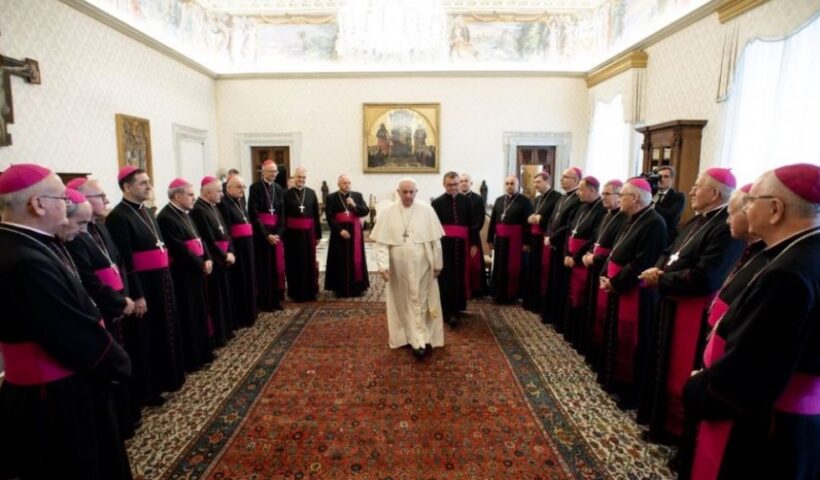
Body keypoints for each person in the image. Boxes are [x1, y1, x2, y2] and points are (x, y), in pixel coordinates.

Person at [683, 164, 820, 480]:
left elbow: (751, 370)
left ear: (775, 209)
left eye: (751, 200)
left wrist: (699, 385)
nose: (744, 207)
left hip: (766, 423)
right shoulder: (797, 253)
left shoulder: (788, 272)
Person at [0, 164, 133, 479]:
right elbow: (69, 332)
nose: (68, 203)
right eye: (62, 197)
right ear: (38, 204)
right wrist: (118, 363)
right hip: (57, 392)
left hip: (57, 383)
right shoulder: (25, 259)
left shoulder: (29, 243)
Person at [638, 167, 744, 444]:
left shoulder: (724, 228)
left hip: (692, 310)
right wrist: (657, 269)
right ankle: (660, 423)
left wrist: (662, 278)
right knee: (663, 362)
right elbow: (669, 251)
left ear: (716, 193)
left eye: (698, 186)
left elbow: (707, 276)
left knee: (680, 368)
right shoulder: (696, 221)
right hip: (672, 298)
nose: (692, 191)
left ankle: (677, 433)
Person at [676, 184, 768, 478]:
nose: (728, 220)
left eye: (735, 212)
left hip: (728, 376)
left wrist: (709, 377)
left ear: (775, 210)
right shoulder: (759, 252)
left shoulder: (783, 265)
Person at [106, 166, 185, 408]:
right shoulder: (119, 216)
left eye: (149, 182)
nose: (149, 187)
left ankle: (168, 378)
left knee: (165, 328)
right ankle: (149, 390)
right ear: (127, 187)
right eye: (143, 183)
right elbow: (126, 261)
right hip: (144, 286)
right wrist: (137, 294)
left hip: (161, 281)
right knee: (147, 337)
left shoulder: (148, 211)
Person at [598, 178, 667, 408]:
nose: (620, 199)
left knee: (633, 342)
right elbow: (616, 251)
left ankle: (630, 392)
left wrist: (615, 282)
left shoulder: (654, 223)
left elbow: (641, 262)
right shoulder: (633, 218)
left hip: (635, 293)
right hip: (619, 286)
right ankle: (615, 381)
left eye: (623, 195)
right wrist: (607, 275)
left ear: (635, 198)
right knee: (618, 338)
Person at [371, 178, 445, 360]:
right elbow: (381, 243)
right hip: (399, 269)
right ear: (398, 192)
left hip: (424, 265)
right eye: (404, 192)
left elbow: (436, 242)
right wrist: (382, 265)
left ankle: (424, 337)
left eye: (411, 192)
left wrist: (438, 263)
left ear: (416, 192)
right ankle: (409, 337)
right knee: (403, 301)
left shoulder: (427, 210)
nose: (408, 196)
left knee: (423, 299)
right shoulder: (388, 212)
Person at [157, 178, 215, 372]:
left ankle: (203, 351)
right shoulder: (166, 217)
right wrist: (201, 265)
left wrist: (207, 258)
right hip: (184, 274)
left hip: (197, 270)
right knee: (189, 313)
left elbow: (200, 239)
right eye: (190, 195)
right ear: (178, 195)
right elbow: (179, 250)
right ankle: (193, 358)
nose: (194, 198)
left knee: (200, 310)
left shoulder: (186, 213)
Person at [580, 179, 628, 361]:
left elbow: (615, 250)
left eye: (607, 194)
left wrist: (594, 258)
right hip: (594, 267)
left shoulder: (624, 218)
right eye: (603, 194)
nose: (603, 197)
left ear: (618, 196)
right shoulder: (607, 215)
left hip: (606, 270)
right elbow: (596, 240)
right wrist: (587, 254)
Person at [191, 176, 237, 348]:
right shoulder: (198, 210)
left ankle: (226, 329)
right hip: (215, 260)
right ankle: (218, 334)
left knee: (225, 295)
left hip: (224, 258)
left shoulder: (214, 207)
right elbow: (208, 240)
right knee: (216, 298)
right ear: (207, 192)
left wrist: (231, 251)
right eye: (218, 191)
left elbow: (226, 232)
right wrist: (224, 256)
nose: (221, 195)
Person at [561, 176, 605, 344]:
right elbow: (571, 231)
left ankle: (578, 336)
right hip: (571, 258)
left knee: (581, 299)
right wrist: (566, 253)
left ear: (593, 190)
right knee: (571, 296)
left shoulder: (601, 210)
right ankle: (569, 332)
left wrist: (576, 257)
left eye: (581, 189)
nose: (578, 193)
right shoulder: (582, 207)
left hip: (582, 262)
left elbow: (592, 238)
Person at [432, 171, 479, 327]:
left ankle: (458, 308)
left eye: (455, 184)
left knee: (460, 276)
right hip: (444, 246)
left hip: (462, 246)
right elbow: (433, 227)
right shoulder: (437, 203)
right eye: (449, 184)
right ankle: (447, 311)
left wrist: (474, 244)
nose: (453, 187)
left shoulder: (466, 201)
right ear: (444, 185)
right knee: (446, 277)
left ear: (459, 184)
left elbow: (473, 224)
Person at [542, 167, 583, 325]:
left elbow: (569, 225)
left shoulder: (577, 199)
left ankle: (558, 318)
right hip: (553, 245)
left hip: (562, 246)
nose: (561, 180)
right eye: (562, 176)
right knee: (552, 281)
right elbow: (552, 219)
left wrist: (553, 238)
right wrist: (547, 234)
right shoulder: (562, 197)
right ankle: (551, 315)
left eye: (565, 177)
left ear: (576, 180)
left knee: (561, 284)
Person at [219, 174, 257, 328]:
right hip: (238, 249)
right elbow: (226, 231)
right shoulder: (224, 204)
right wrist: (231, 251)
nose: (243, 190)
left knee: (250, 279)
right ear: (228, 188)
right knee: (240, 281)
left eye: (244, 187)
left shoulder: (240, 200)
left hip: (248, 247)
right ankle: (242, 316)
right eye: (239, 187)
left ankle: (251, 312)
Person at [487, 176, 533, 303]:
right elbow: (493, 221)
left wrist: (526, 242)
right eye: (507, 183)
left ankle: (512, 295)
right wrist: (490, 239)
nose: (509, 186)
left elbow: (528, 225)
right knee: (499, 266)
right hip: (500, 240)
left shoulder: (525, 201)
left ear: (518, 185)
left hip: (516, 242)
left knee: (513, 268)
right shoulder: (499, 200)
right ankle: (498, 293)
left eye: (512, 183)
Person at [324, 174, 370, 297]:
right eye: (344, 183)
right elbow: (330, 217)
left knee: (356, 259)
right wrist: (340, 231)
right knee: (339, 259)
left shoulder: (357, 195)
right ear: (339, 184)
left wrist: (354, 205)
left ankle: (357, 287)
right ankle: (339, 289)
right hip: (339, 234)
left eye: (349, 182)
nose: (347, 185)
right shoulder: (331, 197)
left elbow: (365, 210)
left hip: (355, 234)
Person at [522, 171, 562, 313]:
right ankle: (531, 301)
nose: (535, 185)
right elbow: (532, 216)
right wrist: (529, 219)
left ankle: (541, 304)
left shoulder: (557, 197)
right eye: (534, 182)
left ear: (547, 181)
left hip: (545, 239)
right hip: (533, 239)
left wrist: (540, 220)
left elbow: (554, 220)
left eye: (538, 182)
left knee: (543, 271)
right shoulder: (537, 199)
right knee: (533, 270)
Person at [248, 159, 285, 311]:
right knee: (264, 269)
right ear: (262, 172)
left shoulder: (278, 188)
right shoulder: (255, 188)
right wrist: (266, 235)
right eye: (270, 171)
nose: (274, 174)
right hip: (262, 236)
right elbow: (254, 213)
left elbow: (282, 213)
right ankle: (265, 302)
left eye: (275, 171)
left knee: (276, 268)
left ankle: (276, 301)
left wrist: (278, 233)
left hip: (275, 234)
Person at [283, 167, 322, 302]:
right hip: (292, 235)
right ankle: (295, 292)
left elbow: (316, 215)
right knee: (294, 262)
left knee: (309, 262)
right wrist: (283, 235)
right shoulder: (286, 194)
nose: (301, 180)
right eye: (299, 177)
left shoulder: (311, 193)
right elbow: (283, 216)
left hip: (308, 235)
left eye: (304, 177)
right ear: (294, 178)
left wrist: (318, 235)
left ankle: (311, 291)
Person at [459, 173, 488, 297]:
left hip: (473, 236)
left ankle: (476, 290)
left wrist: (470, 232)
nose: (464, 183)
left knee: (474, 266)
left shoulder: (478, 199)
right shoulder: (456, 198)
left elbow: (480, 220)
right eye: (461, 181)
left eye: (466, 181)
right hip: (459, 237)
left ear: (471, 183)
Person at [653, 166, 686, 246]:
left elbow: (671, 216)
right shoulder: (650, 193)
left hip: (666, 238)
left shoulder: (678, 196)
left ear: (672, 180)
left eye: (666, 176)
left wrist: (652, 205)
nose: (661, 179)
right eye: (659, 176)